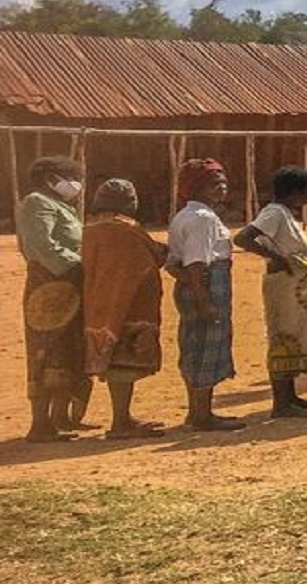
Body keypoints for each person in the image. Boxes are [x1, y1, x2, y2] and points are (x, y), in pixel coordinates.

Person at [235, 166, 307, 417]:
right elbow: (243, 238)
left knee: (295, 334)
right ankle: (282, 403)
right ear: (296, 192)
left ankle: (290, 396)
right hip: (284, 284)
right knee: (283, 335)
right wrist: (278, 258)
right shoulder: (274, 213)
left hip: (295, 285)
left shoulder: (285, 214)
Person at [82, 179, 168, 438]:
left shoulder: (91, 228)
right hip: (129, 305)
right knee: (123, 365)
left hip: (99, 303)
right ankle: (121, 422)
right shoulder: (127, 229)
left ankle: (123, 417)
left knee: (115, 364)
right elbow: (144, 260)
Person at [169, 158, 244, 431]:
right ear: (197, 188)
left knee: (194, 345)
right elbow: (197, 263)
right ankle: (202, 415)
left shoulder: (187, 215)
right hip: (207, 284)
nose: (221, 188)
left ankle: (197, 411)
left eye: (223, 182)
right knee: (205, 348)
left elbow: (174, 264)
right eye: (214, 184)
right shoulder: (202, 219)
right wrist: (205, 301)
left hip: (195, 284)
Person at [17, 156, 87, 442]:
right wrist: (77, 265)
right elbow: (41, 245)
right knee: (46, 349)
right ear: (50, 178)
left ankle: (61, 416)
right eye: (68, 176)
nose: (75, 183)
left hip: (69, 284)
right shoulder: (37, 203)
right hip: (48, 285)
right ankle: (40, 424)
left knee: (68, 347)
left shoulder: (62, 207)